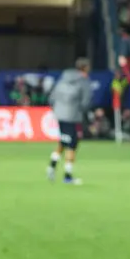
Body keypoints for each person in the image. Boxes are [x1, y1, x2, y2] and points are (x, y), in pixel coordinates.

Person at [47, 57, 93, 185]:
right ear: (85, 68)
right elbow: (85, 101)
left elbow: (52, 97)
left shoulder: (63, 78)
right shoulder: (84, 81)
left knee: (63, 141)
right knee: (72, 145)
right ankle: (67, 176)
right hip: (73, 116)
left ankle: (52, 166)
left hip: (60, 114)